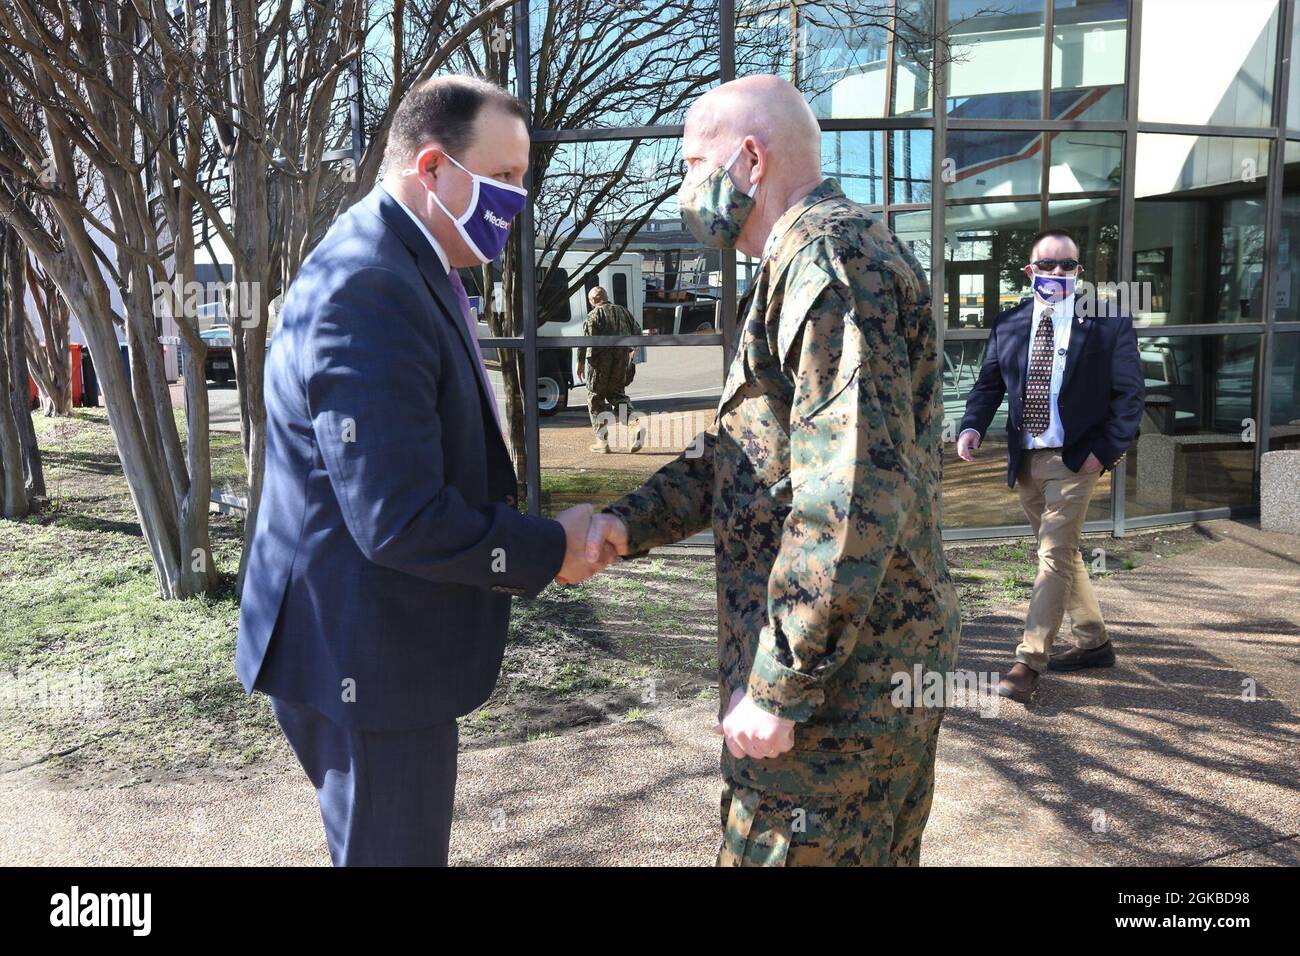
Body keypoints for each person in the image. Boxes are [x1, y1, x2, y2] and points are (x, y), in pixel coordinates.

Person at [584, 75, 960, 866]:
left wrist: (783, 683)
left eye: (694, 163)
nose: (688, 188)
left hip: (841, 697)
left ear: (749, 160)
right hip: (854, 673)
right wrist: (625, 523)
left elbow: (849, 494)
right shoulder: (803, 260)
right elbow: (747, 455)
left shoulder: (829, 262)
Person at [235, 75, 601, 866]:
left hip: (370, 641)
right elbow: (397, 517)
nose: (519, 198)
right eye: (502, 177)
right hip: (363, 658)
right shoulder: (370, 283)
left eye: (523, 178)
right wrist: (548, 548)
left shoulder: (403, 259)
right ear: (430, 168)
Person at [956, 229, 1144, 704]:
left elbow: (1130, 396)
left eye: (1067, 266)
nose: (1057, 273)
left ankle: (1029, 661)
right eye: (1048, 265)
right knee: (1061, 554)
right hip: (1026, 460)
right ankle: (1094, 641)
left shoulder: (1107, 324)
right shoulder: (1010, 323)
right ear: (1030, 270)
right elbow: (988, 384)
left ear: (1078, 272)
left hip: (1075, 460)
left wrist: (1105, 453)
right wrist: (971, 426)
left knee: (1053, 555)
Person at [576, 286, 643, 453]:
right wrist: (633, 349)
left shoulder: (594, 315)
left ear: (592, 301)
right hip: (620, 363)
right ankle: (634, 427)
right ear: (606, 297)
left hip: (599, 365)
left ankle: (602, 442)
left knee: (595, 399)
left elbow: (587, 342)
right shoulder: (623, 311)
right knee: (617, 395)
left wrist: (580, 362)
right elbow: (637, 331)